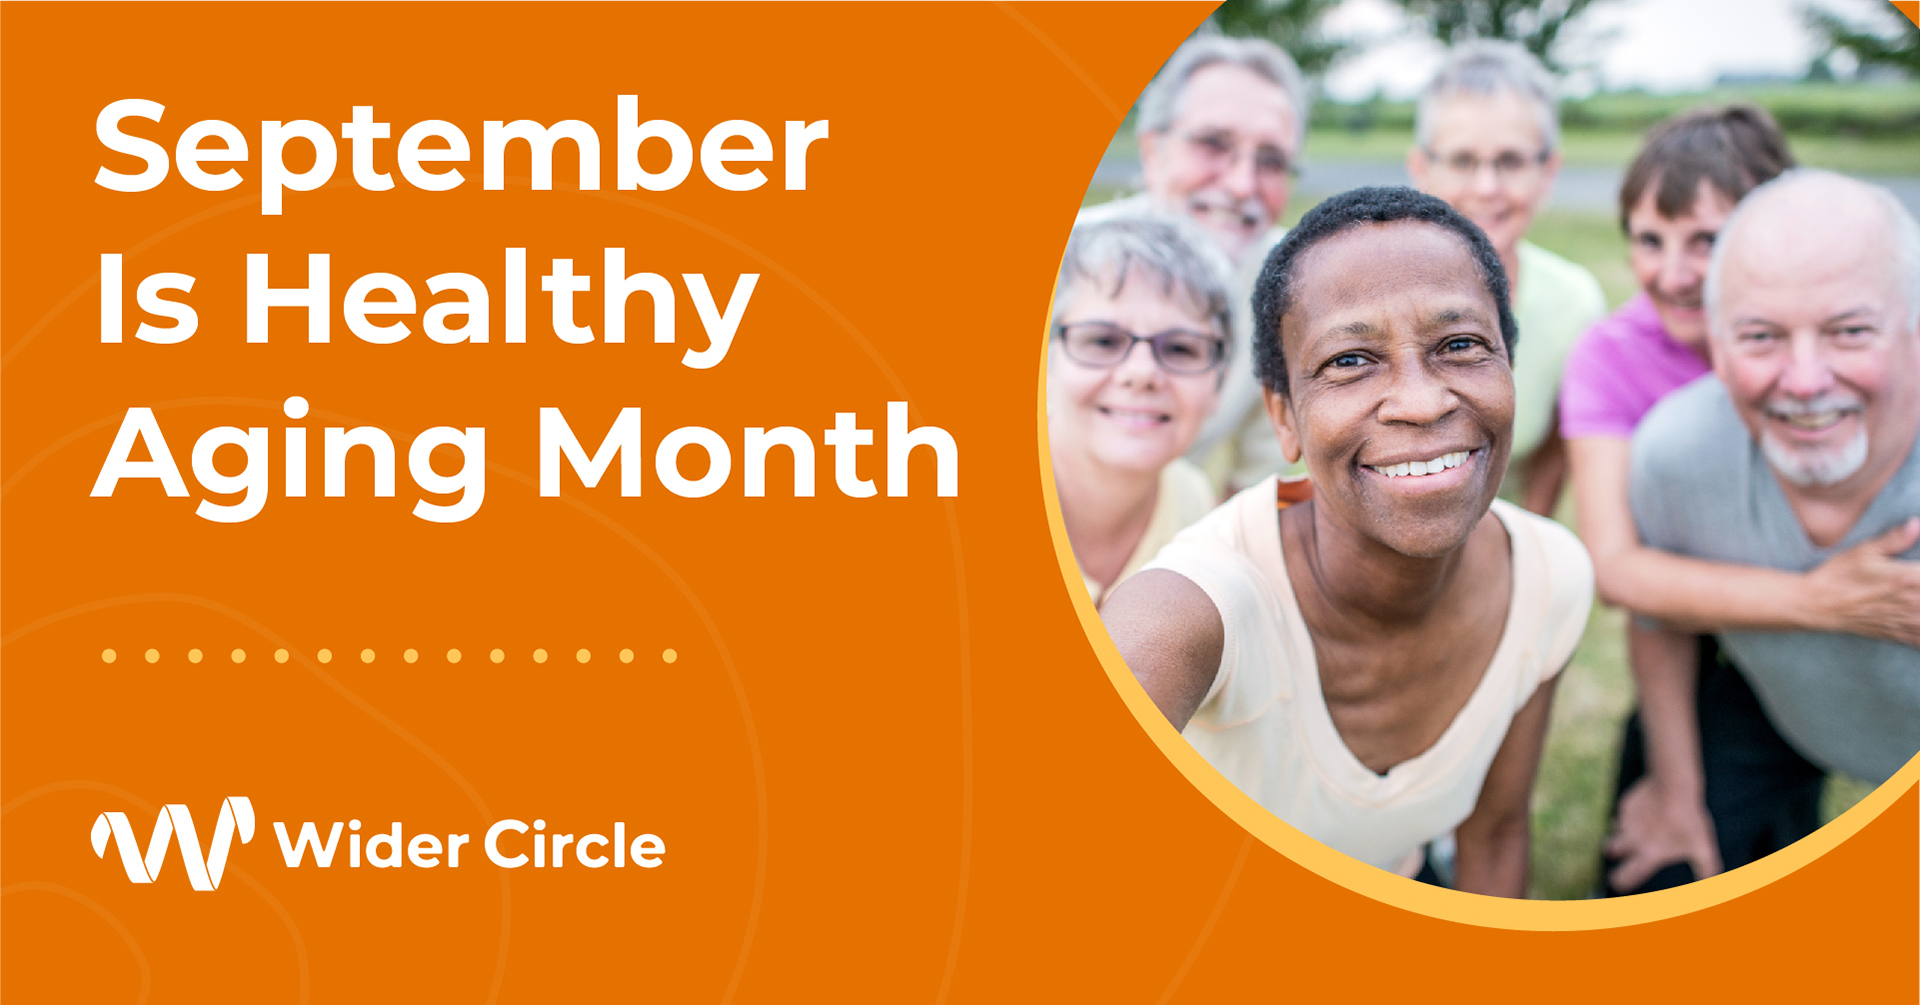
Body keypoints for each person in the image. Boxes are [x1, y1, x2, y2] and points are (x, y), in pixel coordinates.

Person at [1101, 188, 1594, 897]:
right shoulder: (1196, 611)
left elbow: (1495, 834)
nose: (1422, 402)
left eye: (1461, 345)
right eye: (1350, 360)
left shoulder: (1550, 576)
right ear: (1285, 418)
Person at [1554, 107, 1920, 894]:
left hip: (1777, 621)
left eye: (1706, 241)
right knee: (1671, 828)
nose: (1674, 273)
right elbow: (1628, 576)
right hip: (1739, 629)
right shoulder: (1638, 386)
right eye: (1650, 240)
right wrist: (1822, 600)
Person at [1080, 34, 1308, 496]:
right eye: (1212, 144)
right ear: (1152, 154)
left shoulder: (1295, 284)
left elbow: (1260, 485)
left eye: (1271, 161)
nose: (1244, 184)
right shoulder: (1067, 262)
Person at [1407, 40, 1606, 516]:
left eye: (1511, 162)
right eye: (1462, 160)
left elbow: (1552, 459)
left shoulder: (1573, 303)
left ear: (1548, 171)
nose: (1487, 187)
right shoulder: (1367, 291)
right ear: (1421, 168)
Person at [1049, 215, 1234, 607]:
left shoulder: (1192, 506)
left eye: (1181, 348)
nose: (1142, 373)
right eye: (1102, 341)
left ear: (1219, 382)